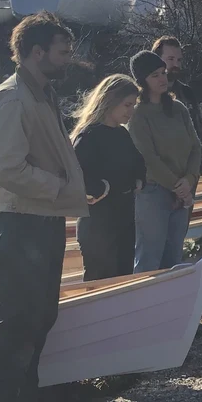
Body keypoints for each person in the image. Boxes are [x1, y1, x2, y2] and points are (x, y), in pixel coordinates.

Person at [0, 11, 87, 402]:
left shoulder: (40, 93)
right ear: (36, 52)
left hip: (43, 221)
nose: (69, 59)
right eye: (63, 51)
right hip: (22, 223)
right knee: (17, 323)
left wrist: (68, 191)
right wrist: (59, 187)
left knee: (40, 317)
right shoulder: (14, 98)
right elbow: (1, 167)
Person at [128, 50, 202, 272]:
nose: (162, 78)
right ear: (142, 81)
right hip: (154, 192)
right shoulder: (138, 114)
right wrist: (179, 189)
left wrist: (189, 180)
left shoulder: (178, 107)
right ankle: (144, 304)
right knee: (149, 257)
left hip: (183, 190)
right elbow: (148, 158)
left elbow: (196, 146)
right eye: (154, 75)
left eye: (163, 72)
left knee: (174, 256)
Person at [71, 74, 146, 281]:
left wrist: (139, 179)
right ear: (110, 101)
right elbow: (77, 175)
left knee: (122, 278)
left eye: (133, 105)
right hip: (98, 224)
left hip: (124, 218)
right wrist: (100, 189)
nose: (131, 111)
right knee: (100, 280)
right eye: (127, 105)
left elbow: (138, 162)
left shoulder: (122, 134)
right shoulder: (88, 136)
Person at [153, 36, 202, 175]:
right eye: (170, 59)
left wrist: (197, 169)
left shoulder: (187, 92)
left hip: (188, 173)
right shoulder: (145, 95)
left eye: (179, 60)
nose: (175, 64)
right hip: (159, 178)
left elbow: (198, 130)